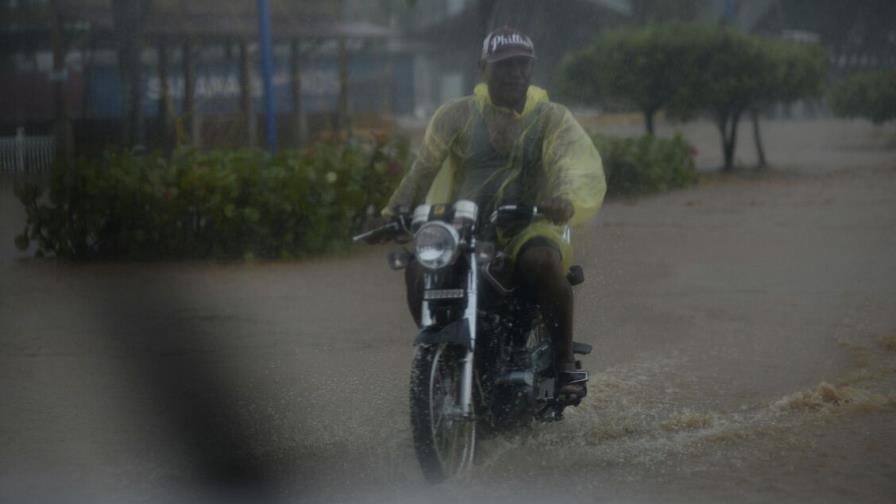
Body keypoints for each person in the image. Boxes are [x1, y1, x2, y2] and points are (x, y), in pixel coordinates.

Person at [384, 27, 606, 398]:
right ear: (483, 69)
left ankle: (565, 366)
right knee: (418, 266)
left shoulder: (552, 118)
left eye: (522, 64)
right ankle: (440, 345)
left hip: (530, 224)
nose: (514, 72)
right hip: (464, 226)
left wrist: (564, 199)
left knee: (543, 263)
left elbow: (574, 166)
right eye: (503, 65)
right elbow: (423, 168)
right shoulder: (455, 115)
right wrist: (396, 211)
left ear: (532, 68)